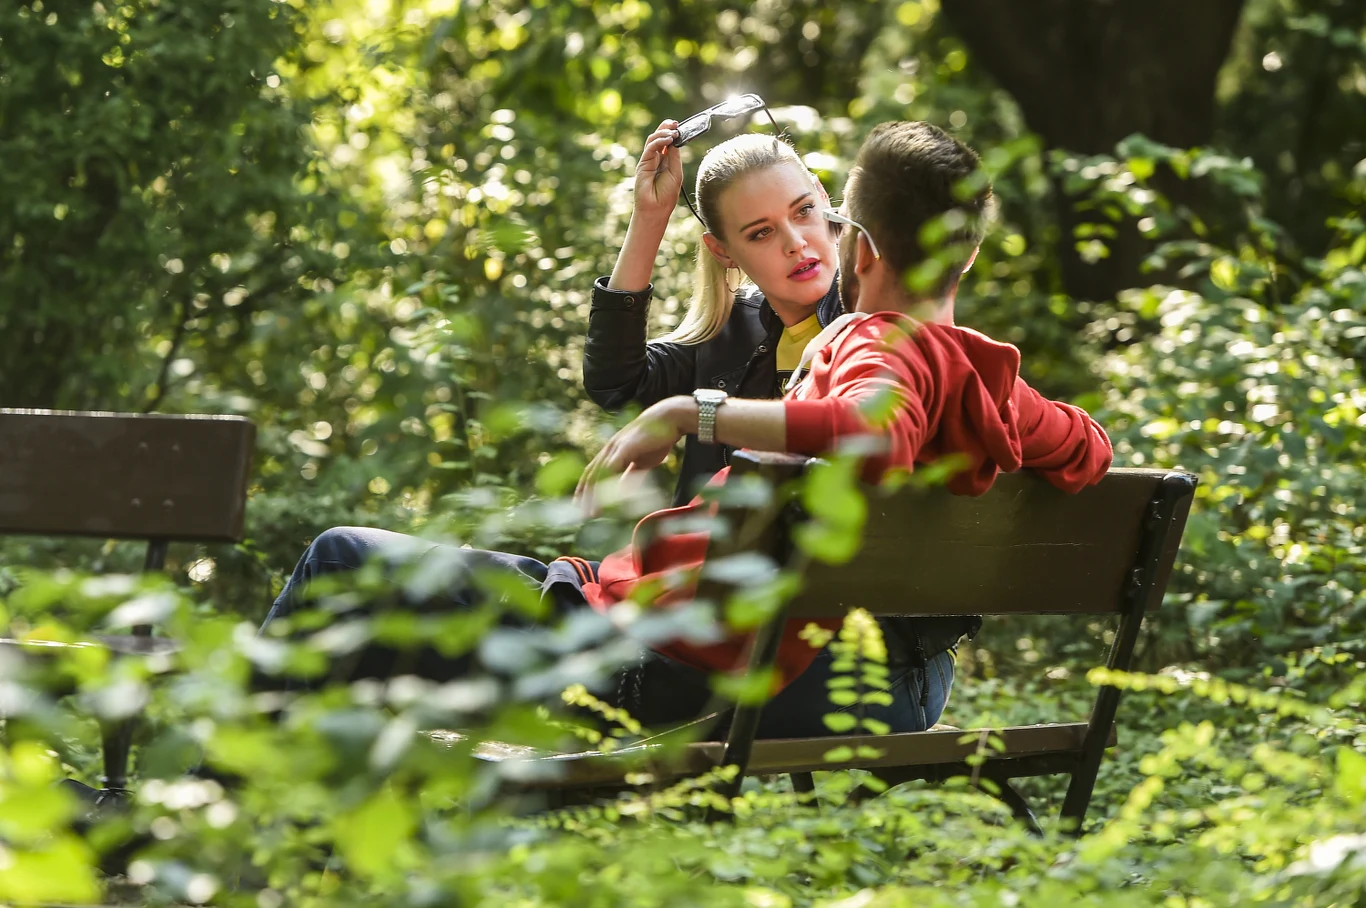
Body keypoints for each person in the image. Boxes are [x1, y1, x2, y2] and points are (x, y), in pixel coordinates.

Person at [261, 121, 1113, 739]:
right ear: (967, 257)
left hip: (721, 668)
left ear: (857, 249)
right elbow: (1091, 448)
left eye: (813, 218)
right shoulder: (985, 375)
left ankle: (202, 809)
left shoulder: (864, 341)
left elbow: (871, 429)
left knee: (342, 560)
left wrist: (689, 411)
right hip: (897, 684)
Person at [583, 116, 844, 509]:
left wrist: (690, 414)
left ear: (824, 199)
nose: (795, 243)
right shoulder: (729, 334)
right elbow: (618, 385)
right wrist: (650, 218)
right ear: (722, 251)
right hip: (700, 560)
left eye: (803, 210)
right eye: (762, 232)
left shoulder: (879, 328)